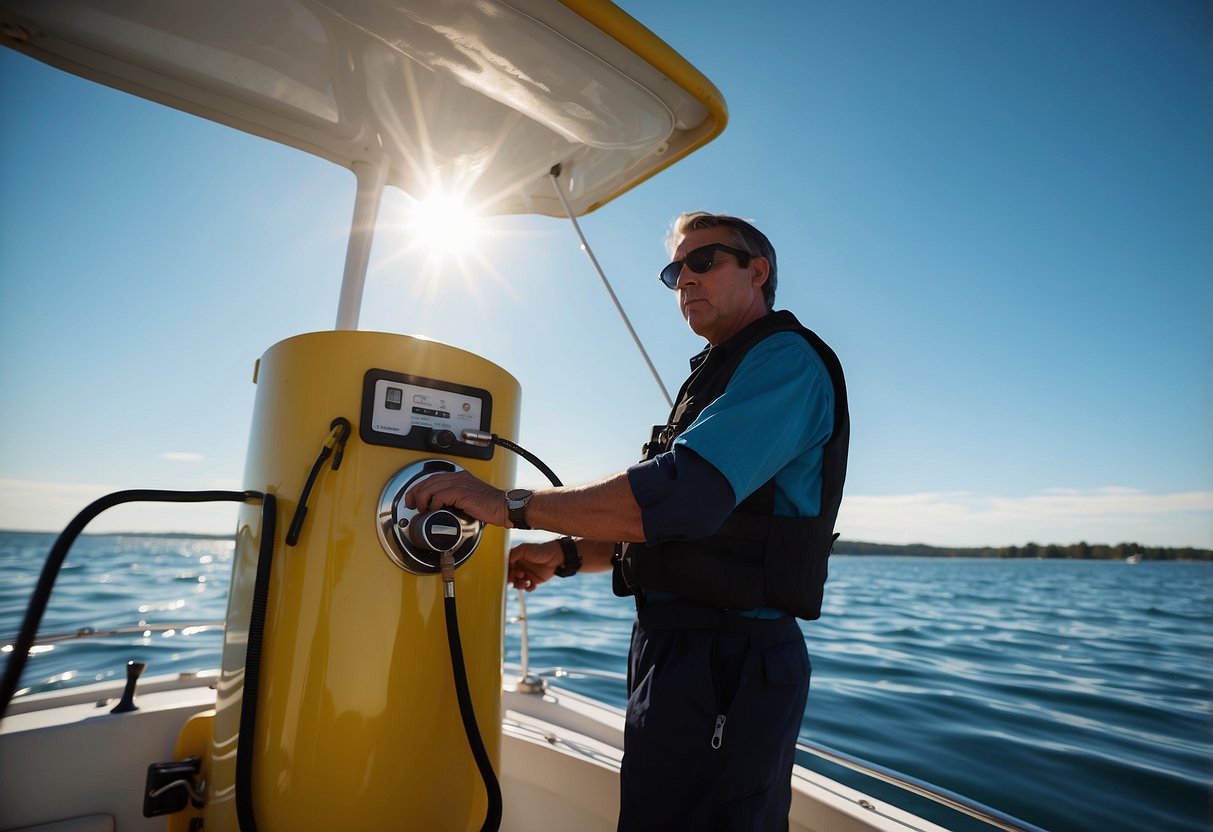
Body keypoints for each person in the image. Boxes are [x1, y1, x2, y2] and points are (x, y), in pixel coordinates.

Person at [405, 212, 849, 831]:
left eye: (704, 261)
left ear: (758, 271)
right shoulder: (720, 373)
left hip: (730, 661)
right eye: (675, 270)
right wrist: (563, 557)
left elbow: (680, 498)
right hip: (673, 654)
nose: (684, 280)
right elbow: (672, 531)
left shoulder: (785, 362)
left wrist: (504, 503)